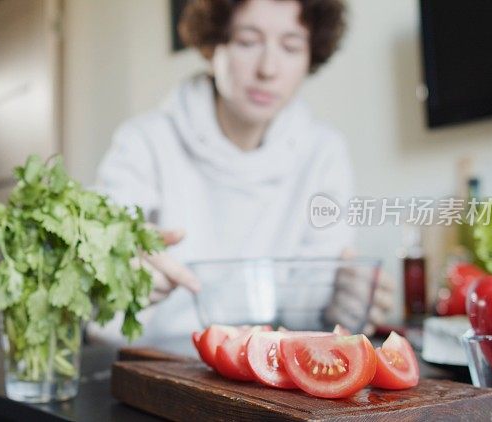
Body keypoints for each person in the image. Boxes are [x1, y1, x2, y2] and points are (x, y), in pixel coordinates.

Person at [90, 0, 393, 346]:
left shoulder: (323, 152)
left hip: (274, 377)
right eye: (248, 42)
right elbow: (98, 306)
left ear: (312, 55)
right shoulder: (144, 142)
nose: (268, 68)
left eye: (291, 47)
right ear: (213, 44)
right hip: (156, 367)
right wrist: (122, 274)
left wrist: (348, 304)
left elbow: (315, 313)